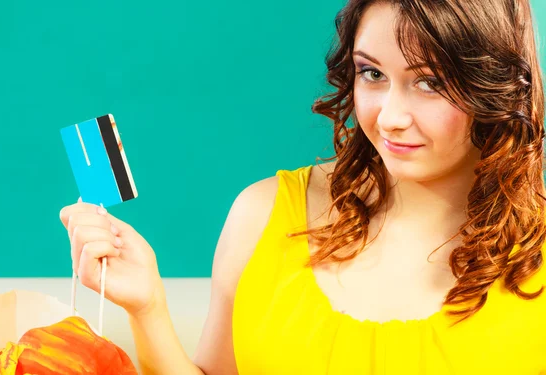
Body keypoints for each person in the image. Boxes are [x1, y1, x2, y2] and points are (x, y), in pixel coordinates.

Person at [59, 0, 546, 373]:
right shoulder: (262, 215)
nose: (391, 118)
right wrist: (148, 308)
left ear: (497, 84)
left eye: (431, 82)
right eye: (372, 73)